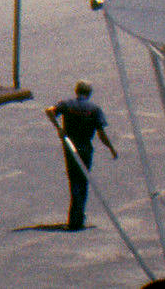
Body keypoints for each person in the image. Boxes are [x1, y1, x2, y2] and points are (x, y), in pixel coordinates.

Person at [47, 80, 117, 230]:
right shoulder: (94, 109)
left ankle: (76, 216)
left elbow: (49, 111)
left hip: (70, 146)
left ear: (76, 90)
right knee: (82, 181)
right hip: (85, 147)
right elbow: (101, 133)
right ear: (89, 93)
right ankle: (76, 219)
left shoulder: (67, 104)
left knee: (74, 180)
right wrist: (111, 148)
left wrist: (59, 128)